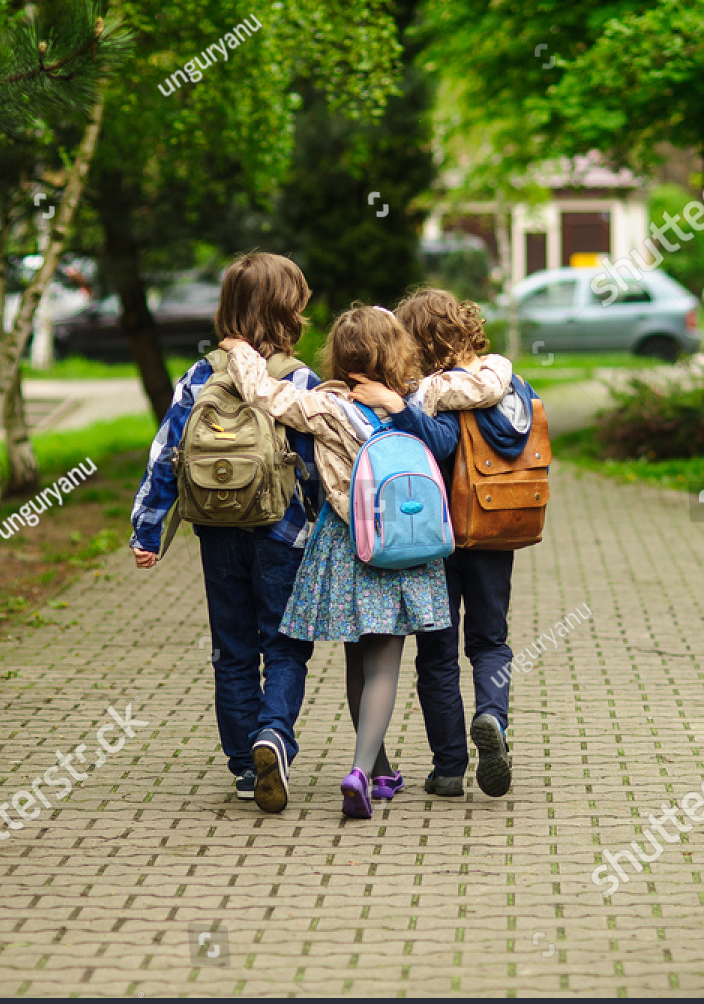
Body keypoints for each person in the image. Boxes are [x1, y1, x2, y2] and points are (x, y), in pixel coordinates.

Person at [220, 305, 512, 818]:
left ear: (339, 354)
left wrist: (241, 350)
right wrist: (497, 362)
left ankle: (379, 772)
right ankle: (360, 770)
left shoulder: (325, 406)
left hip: (346, 544)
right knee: (383, 666)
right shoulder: (422, 394)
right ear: (398, 350)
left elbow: (263, 394)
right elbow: (486, 385)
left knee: (358, 659)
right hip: (404, 546)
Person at [128, 252, 321, 814]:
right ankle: (273, 737)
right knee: (284, 647)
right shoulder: (295, 379)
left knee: (231, 649)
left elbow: (166, 455)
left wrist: (148, 531)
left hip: (216, 529)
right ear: (288, 310)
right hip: (282, 535)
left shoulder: (199, 375)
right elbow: (313, 464)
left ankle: (244, 766)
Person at [395, 288, 540, 798]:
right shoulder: (510, 384)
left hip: (436, 535)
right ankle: (491, 717)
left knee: (437, 653)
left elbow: (430, 446)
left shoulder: (430, 393)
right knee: (489, 642)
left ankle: (449, 768)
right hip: (496, 527)